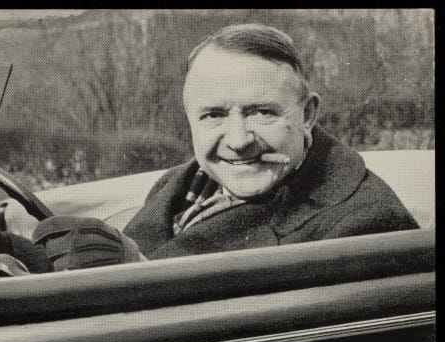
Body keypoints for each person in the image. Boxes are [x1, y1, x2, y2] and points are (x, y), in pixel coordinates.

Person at [124, 23, 418, 259]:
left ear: (307, 116)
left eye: (263, 112)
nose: (238, 141)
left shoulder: (367, 225)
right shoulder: (176, 185)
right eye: (214, 115)